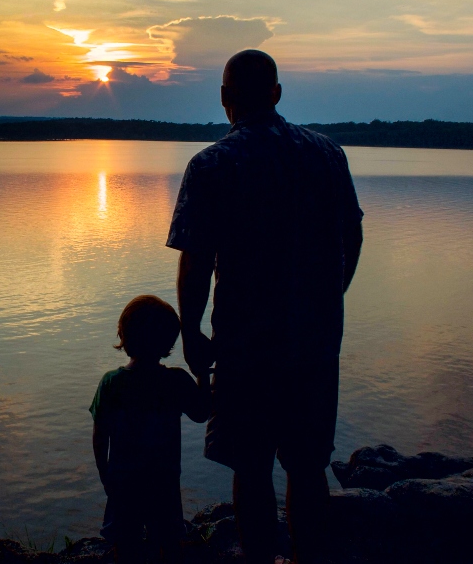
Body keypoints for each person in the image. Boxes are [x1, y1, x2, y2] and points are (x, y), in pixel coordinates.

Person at [166, 50, 364, 564]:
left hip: (245, 346)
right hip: (316, 343)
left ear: (226, 99)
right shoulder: (327, 154)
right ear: (276, 94)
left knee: (251, 468)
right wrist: (330, 295)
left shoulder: (213, 163)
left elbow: (197, 260)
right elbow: (353, 234)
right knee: (307, 465)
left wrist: (191, 335)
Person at [90, 295, 211, 562]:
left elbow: (100, 436)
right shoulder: (175, 381)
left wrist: (104, 474)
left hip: (123, 483)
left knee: (125, 547)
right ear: (168, 342)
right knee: (167, 544)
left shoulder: (112, 384)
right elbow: (203, 413)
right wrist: (203, 373)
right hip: (164, 482)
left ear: (124, 333)